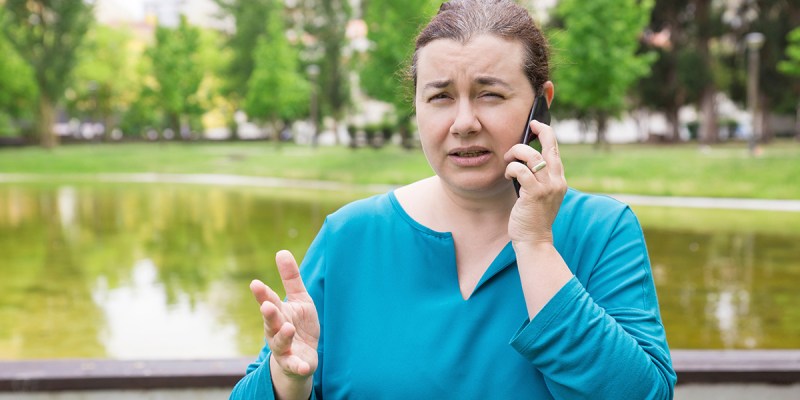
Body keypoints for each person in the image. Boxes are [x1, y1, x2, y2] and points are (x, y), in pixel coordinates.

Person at [230, 0, 676, 398]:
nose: (464, 122)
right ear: (417, 107)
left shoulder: (601, 230)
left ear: (541, 103)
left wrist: (537, 245)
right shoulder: (350, 235)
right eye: (441, 97)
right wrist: (288, 382)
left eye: (490, 94)